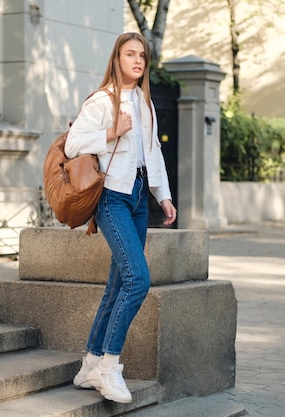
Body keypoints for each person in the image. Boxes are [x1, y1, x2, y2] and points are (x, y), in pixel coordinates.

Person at [64, 32, 177, 403]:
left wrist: (164, 196)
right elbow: (72, 144)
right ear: (117, 58)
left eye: (142, 55)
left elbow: (152, 152)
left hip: (139, 198)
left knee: (118, 283)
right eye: (131, 54)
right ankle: (110, 368)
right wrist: (112, 131)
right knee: (137, 279)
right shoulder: (102, 100)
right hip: (111, 198)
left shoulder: (145, 102)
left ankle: (90, 364)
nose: (138, 61)